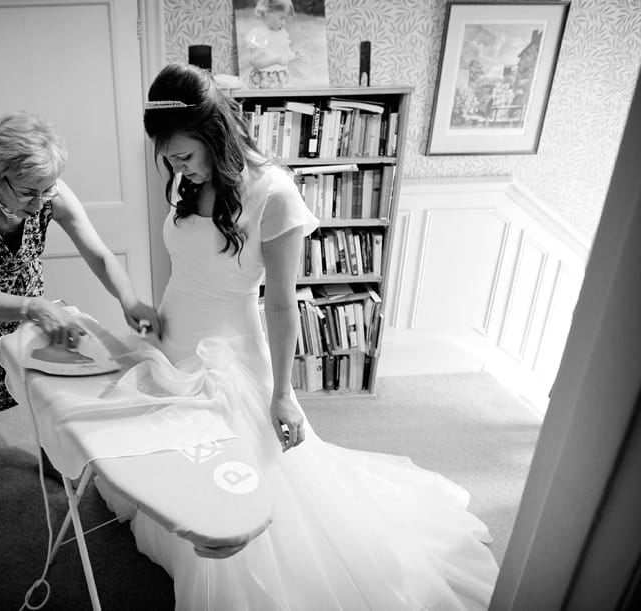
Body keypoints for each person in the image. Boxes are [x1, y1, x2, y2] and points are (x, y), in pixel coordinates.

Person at [97, 62, 500, 609]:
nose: (177, 169)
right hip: (174, 338)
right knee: (183, 460)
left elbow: (283, 304)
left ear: (215, 133)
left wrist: (283, 393)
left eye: (184, 156)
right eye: (168, 158)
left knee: (241, 472)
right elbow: (189, 264)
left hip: (232, 347)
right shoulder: (186, 179)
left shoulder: (274, 193)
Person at [0, 111, 159, 541]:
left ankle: (51, 458)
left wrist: (129, 299)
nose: (41, 202)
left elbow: (100, 255)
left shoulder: (48, 189)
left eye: (47, 189)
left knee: (40, 387)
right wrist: (33, 307)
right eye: (29, 193)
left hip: (28, 298)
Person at [244, 0, 300, 89]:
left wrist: (293, 56)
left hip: (280, 78)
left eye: (285, 19)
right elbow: (254, 61)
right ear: (268, 12)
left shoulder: (282, 34)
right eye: (281, 18)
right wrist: (274, 61)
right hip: (264, 79)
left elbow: (284, 55)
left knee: (280, 101)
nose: (284, 23)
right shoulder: (259, 34)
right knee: (267, 101)